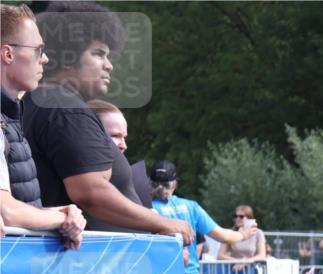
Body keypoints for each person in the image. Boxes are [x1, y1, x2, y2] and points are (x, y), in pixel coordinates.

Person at [21, 2, 191, 244]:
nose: (109, 65)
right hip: (91, 262)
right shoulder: (65, 108)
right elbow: (91, 192)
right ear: (67, 57)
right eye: (99, 54)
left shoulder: (35, 102)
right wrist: (163, 223)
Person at [0, 4, 86, 248]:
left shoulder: (10, 117)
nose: (45, 59)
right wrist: (62, 219)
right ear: (8, 54)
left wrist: (63, 214)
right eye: (38, 50)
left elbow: (18, 207)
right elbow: (7, 211)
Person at [86, 98, 152, 208]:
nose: (124, 146)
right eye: (115, 136)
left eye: (124, 137)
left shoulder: (135, 181)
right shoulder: (75, 183)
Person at [218, 204, 266, 269]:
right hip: (232, 269)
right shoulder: (231, 233)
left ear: (249, 218)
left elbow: (262, 255)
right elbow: (220, 255)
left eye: (241, 216)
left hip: (250, 269)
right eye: (235, 216)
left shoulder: (258, 233)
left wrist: (246, 261)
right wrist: (238, 261)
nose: (237, 219)